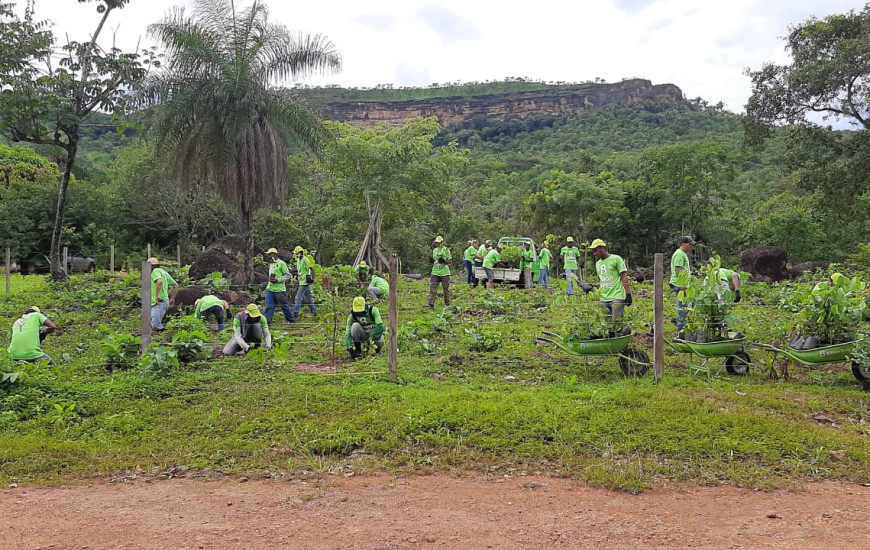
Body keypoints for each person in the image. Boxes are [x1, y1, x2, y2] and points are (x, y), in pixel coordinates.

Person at [589, 239, 632, 322]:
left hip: (616, 296)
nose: (594, 254)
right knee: (606, 326)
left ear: (603, 248)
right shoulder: (598, 264)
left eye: (596, 250)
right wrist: (592, 286)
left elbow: (624, 277)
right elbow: (602, 281)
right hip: (604, 298)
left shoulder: (616, 259)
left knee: (616, 323)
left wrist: (628, 294)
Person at [669, 236, 694, 331]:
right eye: (689, 244)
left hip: (682, 284)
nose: (690, 246)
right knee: (682, 307)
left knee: (685, 306)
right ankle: (680, 329)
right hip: (680, 285)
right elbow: (678, 270)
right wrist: (681, 285)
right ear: (683, 244)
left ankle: (681, 324)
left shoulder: (682, 254)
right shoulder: (679, 254)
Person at [148, 257, 178, 331]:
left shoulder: (155, 271)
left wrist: (156, 296)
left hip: (158, 301)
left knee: (155, 324)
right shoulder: (164, 272)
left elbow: (159, 282)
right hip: (164, 301)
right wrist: (172, 298)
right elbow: (176, 285)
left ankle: (165, 334)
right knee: (152, 323)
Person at [264, 248, 293, 323]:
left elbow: (288, 276)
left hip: (279, 289)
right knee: (269, 306)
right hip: (270, 288)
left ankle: (292, 320)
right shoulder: (271, 264)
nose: (268, 256)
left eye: (269, 254)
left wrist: (278, 280)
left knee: (284, 306)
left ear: (274, 254)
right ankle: (267, 322)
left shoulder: (281, 263)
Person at [291, 245, 317, 321]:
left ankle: (295, 314)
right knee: (308, 297)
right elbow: (300, 270)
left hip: (304, 281)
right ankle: (314, 312)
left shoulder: (305, 259)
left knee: (298, 297)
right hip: (301, 280)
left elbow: (312, 268)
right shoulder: (298, 260)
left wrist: (312, 278)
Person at [428, 235, 452, 309]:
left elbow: (450, 261)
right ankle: (431, 304)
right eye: (437, 243)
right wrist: (431, 261)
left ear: (442, 242)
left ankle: (447, 303)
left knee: (445, 289)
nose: (438, 244)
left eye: (439, 242)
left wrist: (444, 261)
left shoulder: (446, 250)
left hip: (444, 273)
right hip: (435, 272)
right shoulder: (435, 250)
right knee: (433, 289)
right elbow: (434, 260)